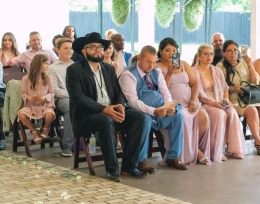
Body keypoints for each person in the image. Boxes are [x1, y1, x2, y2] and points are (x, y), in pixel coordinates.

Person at [66, 33, 150, 181]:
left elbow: (117, 92)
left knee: (140, 118)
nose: (98, 50)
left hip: (111, 111)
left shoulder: (109, 68)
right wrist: (104, 109)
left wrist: (120, 106)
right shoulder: (74, 70)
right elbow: (78, 98)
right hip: (86, 116)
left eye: (100, 47)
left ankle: (129, 166)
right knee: (105, 120)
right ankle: (112, 170)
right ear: (84, 51)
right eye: (93, 47)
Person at [120, 45, 187, 172]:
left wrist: (168, 107)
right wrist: (154, 111)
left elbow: (165, 92)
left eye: (154, 62)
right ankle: (140, 160)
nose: (151, 66)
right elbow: (133, 102)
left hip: (159, 108)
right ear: (139, 59)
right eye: (148, 62)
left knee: (177, 114)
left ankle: (172, 157)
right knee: (145, 117)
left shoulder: (157, 72)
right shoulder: (128, 75)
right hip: (138, 110)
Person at [156, 38, 211, 165]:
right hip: (172, 105)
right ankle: (194, 152)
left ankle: (193, 148)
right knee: (184, 118)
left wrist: (193, 100)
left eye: (174, 51)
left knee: (204, 117)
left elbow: (195, 82)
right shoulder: (156, 66)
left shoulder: (184, 64)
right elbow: (161, 89)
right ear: (161, 51)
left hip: (189, 102)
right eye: (167, 50)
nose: (171, 53)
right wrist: (170, 73)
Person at [219, 39, 260, 156]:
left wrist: (250, 66)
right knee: (252, 110)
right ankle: (258, 142)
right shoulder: (220, 66)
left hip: (251, 95)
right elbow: (219, 87)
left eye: (235, 50)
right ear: (224, 53)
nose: (233, 53)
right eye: (229, 51)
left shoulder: (244, 62)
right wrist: (232, 88)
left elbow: (255, 81)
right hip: (235, 97)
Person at [194, 44, 246, 160]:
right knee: (219, 113)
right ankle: (215, 150)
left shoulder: (216, 70)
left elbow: (225, 88)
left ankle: (234, 149)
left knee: (232, 112)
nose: (209, 56)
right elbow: (197, 95)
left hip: (219, 99)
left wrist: (226, 99)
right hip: (204, 103)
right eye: (206, 54)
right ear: (199, 56)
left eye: (211, 54)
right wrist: (213, 103)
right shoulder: (194, 72)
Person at [17, 54, 58, 143]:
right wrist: (29, 98)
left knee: (49, 115)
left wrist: (44, 97)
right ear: (38, 64)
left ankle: (45, 128)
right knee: (21, 115)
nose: (48, 66)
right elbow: (23, 93)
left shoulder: (48, 78)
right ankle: (34, 131)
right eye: (46, 63)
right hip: (31, 105)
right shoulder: (26, 79)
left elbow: (51, 92)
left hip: (44, 105)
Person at [48, 38, 74, 157]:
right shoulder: (52, 68)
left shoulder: (77, 66)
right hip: (61, 99)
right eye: (65, 48)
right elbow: (55, 90)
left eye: (70, 48)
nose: (69, 50)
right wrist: (74, 94)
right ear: (57, 50)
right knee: (71, 106)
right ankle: (67, 145)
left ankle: (97, 139)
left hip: (78, 97)